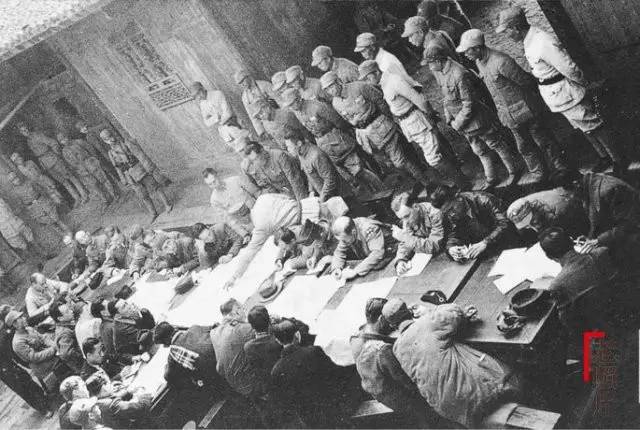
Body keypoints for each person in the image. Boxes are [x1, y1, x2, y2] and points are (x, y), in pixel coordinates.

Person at [497, 6, 628, 175]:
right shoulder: (530, 40)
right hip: (557, 95)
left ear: (515, 28)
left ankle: (618, 159)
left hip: (567, 92)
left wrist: (585, 85)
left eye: (506, 31)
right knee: (583, 127)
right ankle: (604, 157)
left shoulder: (542, 41)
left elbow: (569, 68)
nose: (506, 35)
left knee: (593, 125)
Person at [389, 298, 522, 427]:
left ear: (393, 325)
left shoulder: (396, 348)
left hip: (449, 410)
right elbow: (455, 312)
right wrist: (430, 311)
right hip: (473, 395)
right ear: (409, 312)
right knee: (511, 374)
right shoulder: (427, 323)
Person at [458, 29, 567, 182]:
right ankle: (539, 175)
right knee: (524, 147)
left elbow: (525, 81)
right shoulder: (479, 62)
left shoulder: (501, 61)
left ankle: (562, 168)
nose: (465, 54)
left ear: (477, 48)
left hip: (527, 110)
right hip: (510, 116)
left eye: (467, 50)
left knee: (544, 140)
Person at [424, 43, 522, 190]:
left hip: (477, 121)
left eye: (430, 63)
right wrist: (449, 117)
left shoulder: (459, 74)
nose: (430, 67)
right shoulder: (442, 72)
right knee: (479, 150)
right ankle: (491, 178)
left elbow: (469, 103)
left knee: (496, 144)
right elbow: (447, 98)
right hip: (465, 124)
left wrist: (457, 123)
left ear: (438, 61)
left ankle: (514, 171)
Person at [358, 60, 469, 189]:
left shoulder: (394, 81)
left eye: (368, 77)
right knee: (435, 150)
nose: (367, 81)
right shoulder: (383, 84)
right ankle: (460, 180)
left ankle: (463, 184)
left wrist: (430, 114)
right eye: (365, 79)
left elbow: (418, 99)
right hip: (407, 123)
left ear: (376, 72)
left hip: (415, 119)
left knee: (432, 158)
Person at [224, 193, 345, 289]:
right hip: (310, 205)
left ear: (243, 220)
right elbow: (285, 197)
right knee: (344, 227)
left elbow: (249, 253)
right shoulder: (262, 198)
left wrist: (234, 277)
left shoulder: (260, 227)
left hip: (310, 224)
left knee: (338, 242)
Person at [281, 88, 384, 194]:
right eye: (289, 105)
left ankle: (382, 190)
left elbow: (338, 121)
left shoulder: (317, 106)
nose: (291, 107)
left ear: (298, 99)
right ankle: (371, 194)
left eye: (292, 104)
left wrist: (343, 136)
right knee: (350, 176)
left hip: (337, 141)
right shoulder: (298, 113)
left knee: (358, 171)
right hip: (324, 145)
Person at [350, 298, 435, 427]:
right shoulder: (383, 350)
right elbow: (406, 380)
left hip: (378, 390)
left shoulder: (356, 337)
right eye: (388, 319)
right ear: (381, 319)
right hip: (401, 397)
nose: (391, 323)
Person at [271, 319, 352, 428]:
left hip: (308, 418)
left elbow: (285, 402)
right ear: (297, 335)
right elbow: (334, 374)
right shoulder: (314, 351)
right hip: (330, 407)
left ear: (278, 341)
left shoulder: (276, 370)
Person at [539, 227, 617, 338]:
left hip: (600, 335)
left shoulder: (557, 285)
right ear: (572, 241)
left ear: (550, 257)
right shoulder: (602, 252)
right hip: (624, 314)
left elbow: (570, 323)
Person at [153, 321, 220, 427]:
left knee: (189, 388)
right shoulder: (195, 328)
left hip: (217, 379)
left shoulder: (173, 354)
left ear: (166, 341)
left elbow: (168, 376)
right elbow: (215, 327)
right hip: (222, 360)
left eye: (163, 344)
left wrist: (166, 366)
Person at [427, 183, 518, 260]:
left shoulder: (484, 200)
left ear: (458, 198)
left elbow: (505, 223)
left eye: (451, 209)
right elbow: (452, 233)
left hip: (509, 244)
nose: (451, 214)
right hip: (486, 252)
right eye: (447, 212)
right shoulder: (451, 212)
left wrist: (486, 242)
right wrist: (451, 248)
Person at [101, 129, 172, 219]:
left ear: (113, 135)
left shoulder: (125, 143)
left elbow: (139, 154)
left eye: (110, 136)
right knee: (143, 195)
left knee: (155, 187)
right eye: (107, 139)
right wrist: (123, 179)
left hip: (140, 169)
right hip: (130, 177)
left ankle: (167, 204)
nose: (111, 140)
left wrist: (147, 166)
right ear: (105, 141)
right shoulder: (111, 153)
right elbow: (117, 167)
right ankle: (153, 213)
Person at [16, 121, 88, 205]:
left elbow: (52, 142)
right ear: (21, 133)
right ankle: (77, 198)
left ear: (28, 128)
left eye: (26, 129)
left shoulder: (37, 135)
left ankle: (84, 194)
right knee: (63, 182)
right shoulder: (29, 141)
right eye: (23, 131)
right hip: (46, 164)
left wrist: (56, 154)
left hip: (54, 159)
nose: (26, 131)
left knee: (70, 176)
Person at [0, 305, 50, 416]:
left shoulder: (10, 327)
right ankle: (43, 409)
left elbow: (30, 321)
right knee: (21, 387)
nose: (15, 312)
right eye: (12, 311)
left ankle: (43, 398)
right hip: (6, 367)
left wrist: (46, 312)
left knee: (27, 380)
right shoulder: (5, 334)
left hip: (17, 359)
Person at [283, 128, 357, 203]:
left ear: (299, 143)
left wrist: (322, 198)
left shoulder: (316, 155)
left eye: (289, 146)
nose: (288, 150)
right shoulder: (301, 154)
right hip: (329, 199)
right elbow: (309, 174)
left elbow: (330, 180)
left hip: (342, 197)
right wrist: (311, 191)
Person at [244, 305, 282, 426]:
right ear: (269, 321)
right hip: (280, 381)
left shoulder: (248, 347)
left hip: (266, 386)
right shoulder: (276, 341)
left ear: (251, 326)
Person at [391, 192, 444, 274]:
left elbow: (434, 246)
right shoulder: (409, 219)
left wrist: (405, 237)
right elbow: (405, 242)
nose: (405, 222)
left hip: (445, 255)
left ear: (416, 207)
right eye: (401, 218)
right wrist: (400, 260)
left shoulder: (435, 214)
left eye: (406, 216)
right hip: (430, 259)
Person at [7, 310, 59, 394]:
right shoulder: (18, 342)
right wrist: (53, 350)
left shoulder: (29, 329)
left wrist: (54, 345)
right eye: (20, 318)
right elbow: (35, 358)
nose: (24, 318)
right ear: (14, 324)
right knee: (64, 356)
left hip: (48, 354)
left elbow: (43, 338)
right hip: (41, 365)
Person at [331, 215, 396, 281]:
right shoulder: (347, 231)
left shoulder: (368, 228)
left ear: (353, 232)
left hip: (391, 253)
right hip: (373, 258)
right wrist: (337, 268)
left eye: (344, 240)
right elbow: (339, 252)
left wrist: (355, 271)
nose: (343, 242)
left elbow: (377, 253)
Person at [190, 81, 250, 152]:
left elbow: (228, 113)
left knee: (248, 147)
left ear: (203, 88)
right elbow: (207, 123)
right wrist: (216, 117)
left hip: (233, 124)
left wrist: (217, 120)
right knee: (240, 151)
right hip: (223, 131)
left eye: (199, 92)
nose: (199, 96)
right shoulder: (202, 105)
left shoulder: (217, 94)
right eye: (196, 95)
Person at [507, 187, 588, 239]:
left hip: (575, 213)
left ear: (533, 209)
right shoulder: (526, 203)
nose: (533, 227)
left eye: (532, 221)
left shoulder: (557, 209)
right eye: (527, 226)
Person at [241, 141, 308, 201]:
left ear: (263, 151)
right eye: (253, 160)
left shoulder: (279, 156)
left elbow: (295, 180)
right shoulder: (257, 165)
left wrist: (301, 202)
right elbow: (269, 186)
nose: (257, 161)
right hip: (285, 194)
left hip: (302, 188)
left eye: (257, 158)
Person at [203, 168, 258, 240]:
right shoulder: (214, 200)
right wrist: (244, 234)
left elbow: (256, 192)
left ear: (218, 176)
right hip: (246, 225)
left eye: (214, 181)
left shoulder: (235, 180)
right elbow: (229, 220)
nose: (214, 185)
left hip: (257, 212)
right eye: (210, 184)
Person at [58, 132, 113, 203]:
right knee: (94, 184)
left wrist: (93, 158)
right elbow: (70, 162)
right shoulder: (65, 151)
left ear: (67, 137)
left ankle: (114, 194)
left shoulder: (78, 142)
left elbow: (90, 149)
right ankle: (105, 199)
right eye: (62, 140)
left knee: (103, 179)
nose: (64, 141)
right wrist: (78, 168)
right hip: (81, 168)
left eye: (64, 138)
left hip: (89, 162)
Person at [354, 32, 421, 87]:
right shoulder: (377, 60)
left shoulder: (386, 61)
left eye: (363, 51)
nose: (362, 55)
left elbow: (401, 84)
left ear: (372, 47)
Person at [234, 68, 277, 139]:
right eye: (240, 83)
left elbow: (278, 99)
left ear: (248, 77)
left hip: (278, 116)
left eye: (242, 81)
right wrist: (261, 132)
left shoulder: (264, 85)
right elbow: (252, 116)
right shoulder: (245, 97)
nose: (242, 84)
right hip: (267, 125)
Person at [50, 301, 85, 374]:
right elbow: (65, 354)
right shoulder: (64, 333)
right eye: (67, 311)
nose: (71, 311)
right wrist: (84, 351)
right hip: (82, 366)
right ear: (60, 318)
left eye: (69, 309)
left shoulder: (66, 324)